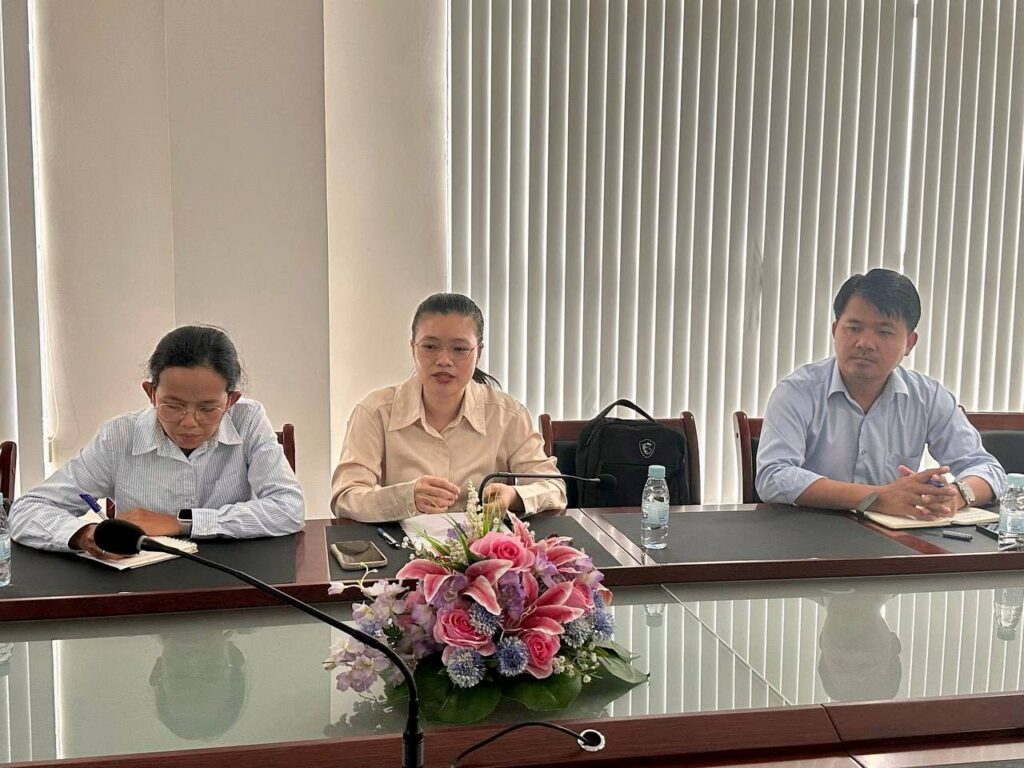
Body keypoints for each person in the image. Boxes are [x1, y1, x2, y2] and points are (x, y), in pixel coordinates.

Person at [10, 326, 304, 556]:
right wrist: (83, 534)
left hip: (233, 580)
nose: (189, 422)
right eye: (173, 406)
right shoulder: (120, 437)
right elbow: (28, 509)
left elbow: (288, 508)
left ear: (231, 401)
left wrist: (182, 523)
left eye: (207, 408)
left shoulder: (248, 420)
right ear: (151, 393)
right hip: (140, 585)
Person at [756, 269, 1006, 519]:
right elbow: (773, 476)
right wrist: (877, 497)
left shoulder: (928, 397)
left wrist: (956, 495)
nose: (864, 343)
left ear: (909, 343)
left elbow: (986, 468)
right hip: (811, 532)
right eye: (853, 328)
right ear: (835, 330)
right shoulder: (797, 392)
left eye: (884, 332)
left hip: (895, 536)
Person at [332, 292, 566, 522]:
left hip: (480, 545)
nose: (444, 360)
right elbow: (346, 497)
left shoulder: (507, 415)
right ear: (413, 348)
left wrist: (513, 496)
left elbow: (554, 488)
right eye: (430, 346)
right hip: (399, 545)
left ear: (478, 353)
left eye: (460, 349)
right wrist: (406, 498)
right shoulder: (376, 412)